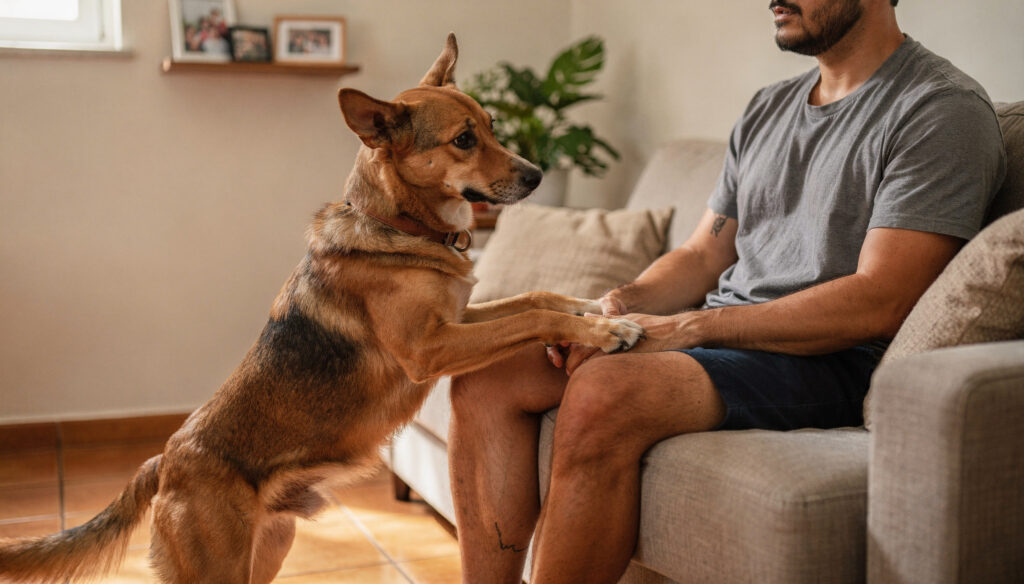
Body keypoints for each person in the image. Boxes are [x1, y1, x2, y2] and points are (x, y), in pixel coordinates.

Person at [448, 1, 1007, 582]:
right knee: (489, 371)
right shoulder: (769, 107)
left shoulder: (939, 110)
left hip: (833, 357)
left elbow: (880, 299)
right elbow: (702, 254)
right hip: (729, 340)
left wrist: (686, 328)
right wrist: (616, 308)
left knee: (603, 389)